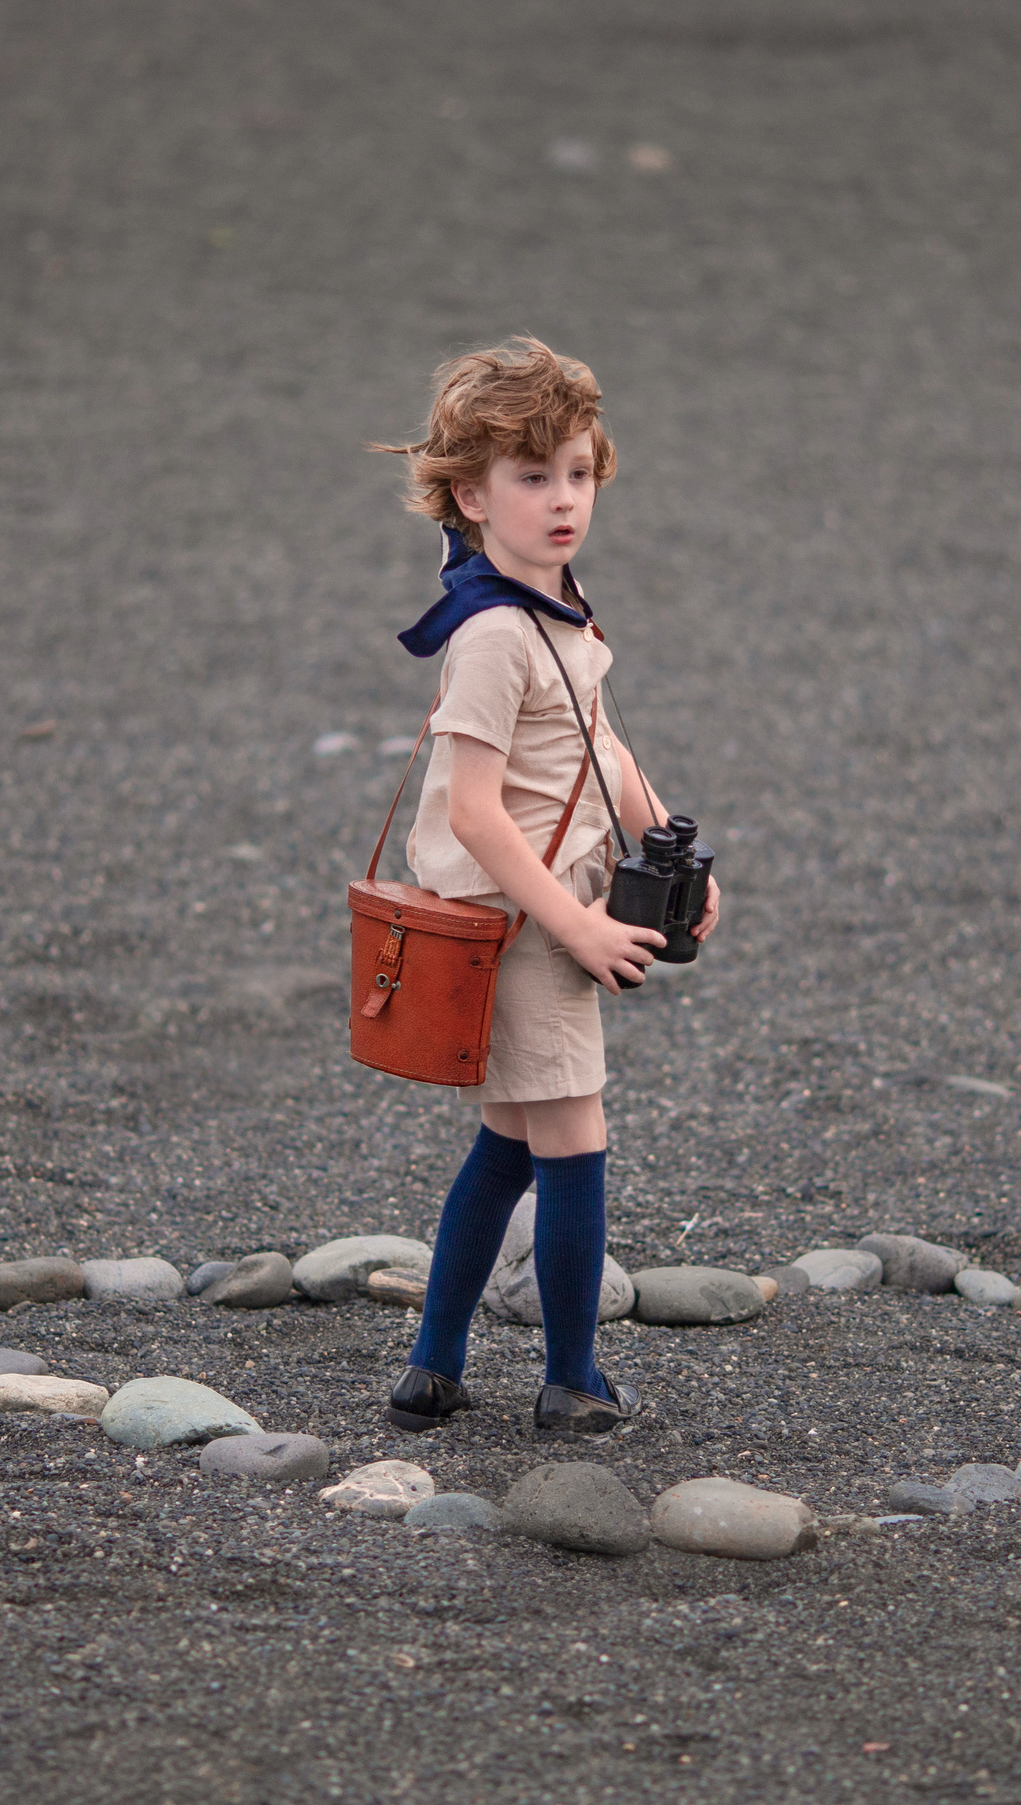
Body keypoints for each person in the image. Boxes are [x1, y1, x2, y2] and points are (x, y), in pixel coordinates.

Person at [369, 339, 719, 1435]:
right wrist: (574, 919)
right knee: (573, 1140)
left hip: (537, 908)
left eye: (577, 472)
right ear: (470, 496)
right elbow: (470, 805)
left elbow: (601, 744)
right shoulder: (489, 635)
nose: (563, 499)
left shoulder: (557, 608)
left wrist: (671, 853)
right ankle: (571, 1379)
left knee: (510, 1140)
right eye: (532, 478)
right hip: (518, 922)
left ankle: (434, 1362)